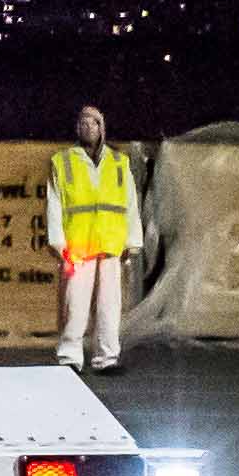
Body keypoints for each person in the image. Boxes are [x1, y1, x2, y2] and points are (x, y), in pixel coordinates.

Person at [47, 105, 144, 374]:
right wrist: (58, 243)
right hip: (78, 246)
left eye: (93, 123)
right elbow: (54, 204)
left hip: (111, 245)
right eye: (82, 123)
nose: (87, 127)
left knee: (109, 305)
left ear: (102, 128)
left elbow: (129, 203)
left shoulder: (118, 162)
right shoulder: (63, 161)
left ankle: (107, 358)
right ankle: (69, 357)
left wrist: (132, 242)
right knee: (73, 304)